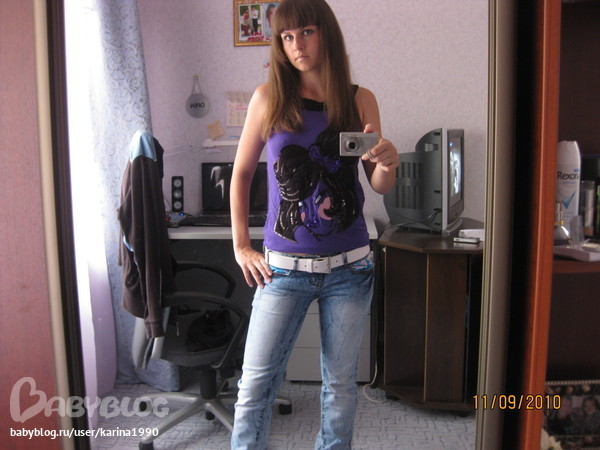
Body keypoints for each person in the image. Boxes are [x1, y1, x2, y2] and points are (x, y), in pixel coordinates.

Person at [229, 0, 399, 448]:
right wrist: (241, 245)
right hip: (282, 271)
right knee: (254, 387)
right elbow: (241, 174)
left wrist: (387, 163)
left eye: (306, 32)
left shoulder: (360, 98)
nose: (297, 45)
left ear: (326, 33)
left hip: (351, 268)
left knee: (340, 388)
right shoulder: (268, 98)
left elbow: (378, 184)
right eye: (286, 37)